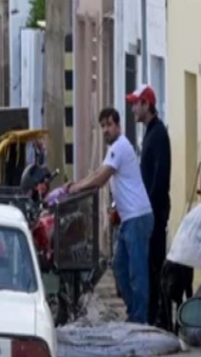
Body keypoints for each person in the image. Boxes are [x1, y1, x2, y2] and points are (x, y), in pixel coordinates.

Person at [67, 108, 154, 324]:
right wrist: (76, 185)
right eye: (103, 126)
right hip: (128, 219)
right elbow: (98, 172)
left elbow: (101, 179)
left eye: (109, 125)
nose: (105, 130)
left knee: (136, 270)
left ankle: (140, 318)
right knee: (119, 267)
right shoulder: (114, 149)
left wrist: (76, 189)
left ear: (118, 125)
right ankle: (135, 312)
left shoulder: (121, 146)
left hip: (137, 217)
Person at [130, 84, 172, 327]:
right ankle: (155, 315)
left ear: (147, 105)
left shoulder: (158, 134)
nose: (134, 108)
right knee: (149, 264)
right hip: (150, 210)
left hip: (154, 212)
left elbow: (160, 176)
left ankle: (161, 318)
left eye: (137, 103)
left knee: (154, 264)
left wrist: (150, 208)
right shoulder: (150, 132)